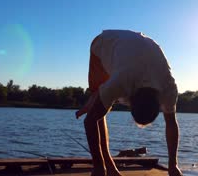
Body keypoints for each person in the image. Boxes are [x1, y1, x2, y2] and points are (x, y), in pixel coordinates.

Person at [76, 29, 182, 176]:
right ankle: (106, 166)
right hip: (104, 43)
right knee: (98, 110)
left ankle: (95, 101)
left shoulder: (168, 87)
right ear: (130, 101)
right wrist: (98, 167)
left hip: (136, 48)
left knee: (101, 101)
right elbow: (90, 121)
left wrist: (173, 166)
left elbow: (171, 123)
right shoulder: (121, 81)